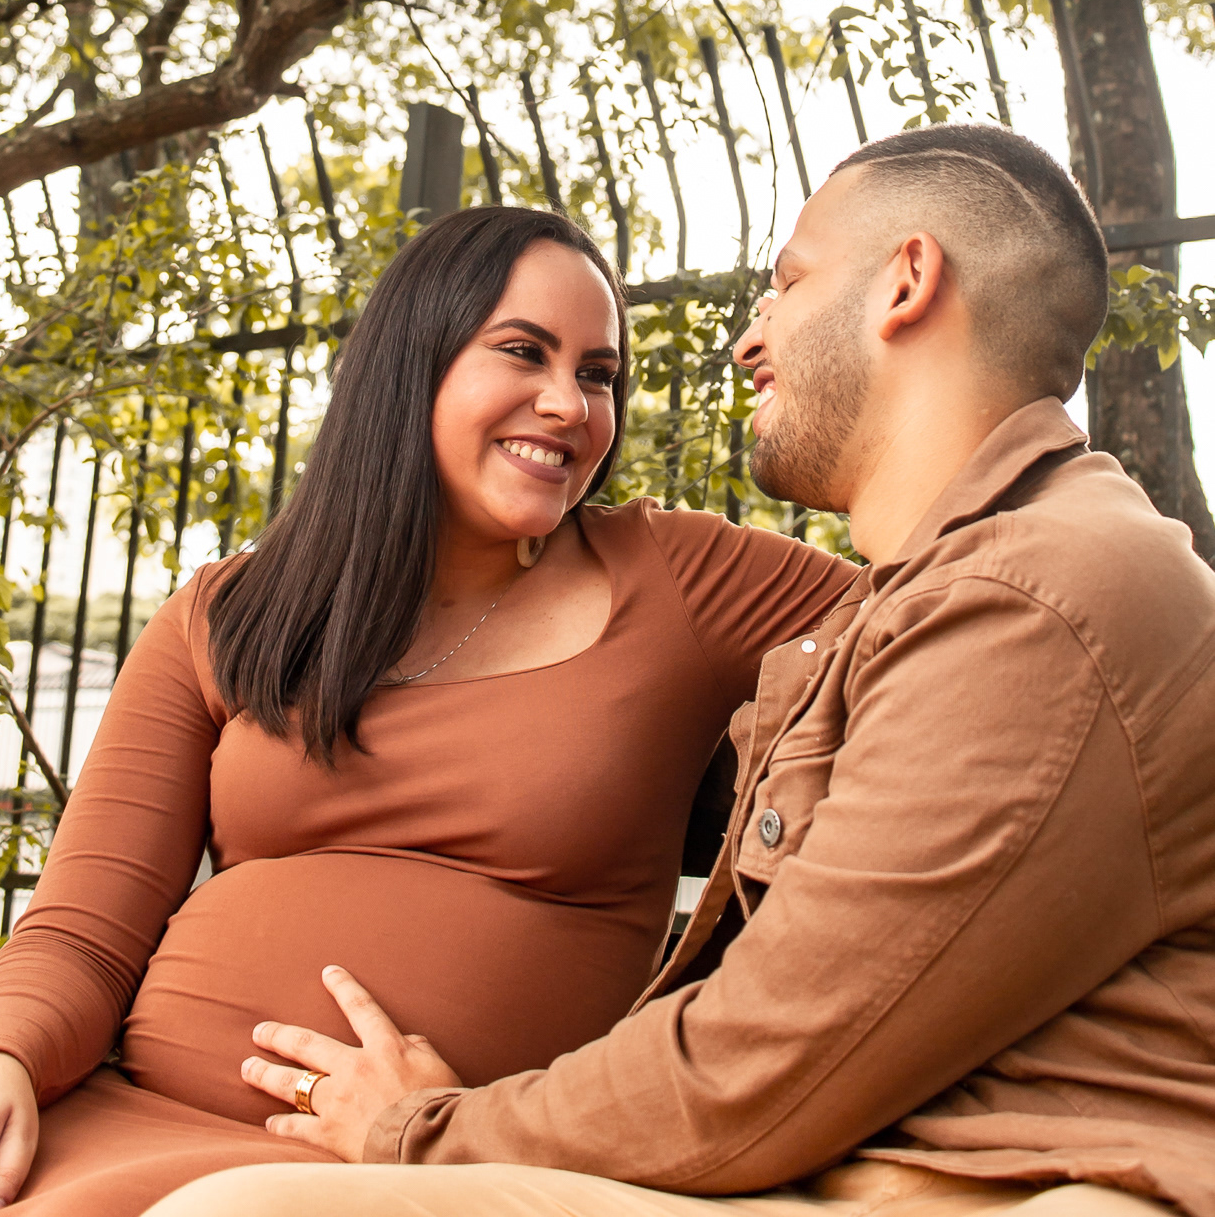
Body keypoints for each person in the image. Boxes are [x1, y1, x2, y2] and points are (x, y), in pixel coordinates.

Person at [149, 126, 1215, 1217]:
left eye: (787, 283)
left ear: (906, 281)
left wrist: (415, 1132)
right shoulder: (945, 591)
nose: (750, 339)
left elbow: (759, 1065)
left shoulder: (1030, 599)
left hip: (981, 1184)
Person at [0, 206, 856, 1217]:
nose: (568, 403)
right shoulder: (230, 614)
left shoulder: (680, 577)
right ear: (410, 365)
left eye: (597, 373)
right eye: (523, 352)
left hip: (391, 1173)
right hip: (104, 1114)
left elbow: (935, 609)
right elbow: (83, 927)